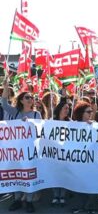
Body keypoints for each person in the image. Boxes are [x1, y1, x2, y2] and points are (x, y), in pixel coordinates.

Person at [1, 78, 42, 213]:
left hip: (30, 151)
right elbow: (4, 103)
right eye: (27, 97)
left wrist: (29, 123)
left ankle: (29, 201)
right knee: (17, 174)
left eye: (31, 97)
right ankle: (17, 199)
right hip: (16, 151)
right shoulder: (15, 113)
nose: (30, 99)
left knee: (29, 175)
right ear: (21, 100)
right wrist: (6, 87)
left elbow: (40, 130)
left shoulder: (37, 114)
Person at [71, 102, 98, 214]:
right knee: (79, 184)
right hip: (78, 160)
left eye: (91, 111)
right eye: (88, 112)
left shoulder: (95, 125)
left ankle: (91, 207)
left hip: (91, 161)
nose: (91, 114)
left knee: (91, 183)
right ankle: (80, 206)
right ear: (81, 113)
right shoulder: (73, 125)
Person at [51, 97, 71, 207]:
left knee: (63, 175)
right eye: (65, 108)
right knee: (55, 175)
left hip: (65, 154)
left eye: (68, 108)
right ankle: (55, 196)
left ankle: (62, 196)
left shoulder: (71, 122)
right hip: (53, 153)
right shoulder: (51, 122)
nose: (67, 110)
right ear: (59, 109)